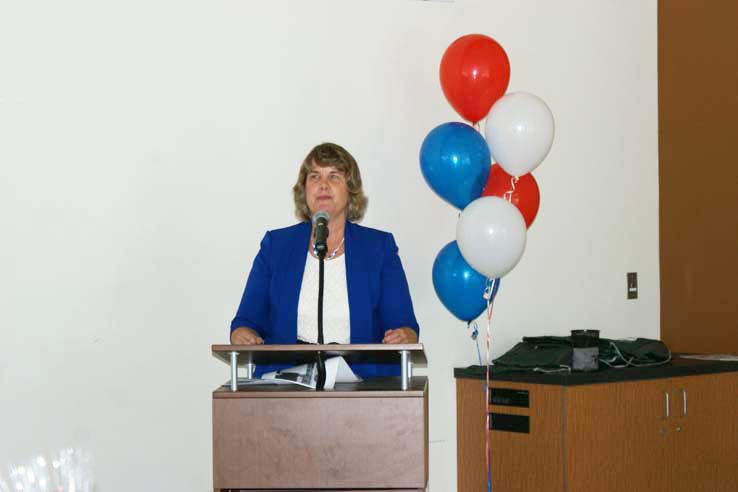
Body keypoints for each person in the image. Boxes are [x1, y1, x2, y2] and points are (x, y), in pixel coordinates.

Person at [230, 142, 419, 377]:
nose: (323, 185)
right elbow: (246, 319)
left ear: (351, 190)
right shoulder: (276, 246)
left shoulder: (379, 248)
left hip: (361, 382)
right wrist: (242, 332)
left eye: (335, 176)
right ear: (304, 189)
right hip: (287, 379)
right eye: (314, 176)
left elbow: (405, 325)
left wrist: (404, 335)